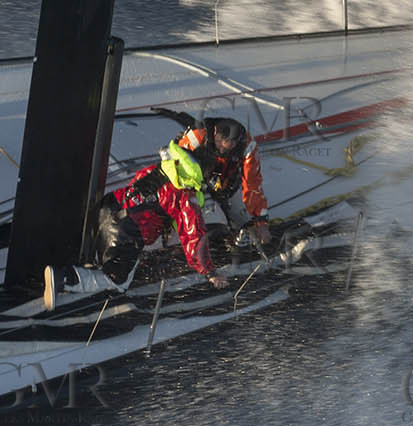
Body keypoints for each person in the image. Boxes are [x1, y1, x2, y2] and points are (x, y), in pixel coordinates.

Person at [71, 116, 268, 300]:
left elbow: (252, 185)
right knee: (118, 280)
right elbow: (194, 236)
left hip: (110, 205)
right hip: (127, 230)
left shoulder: (162, 169)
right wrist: (210, 273)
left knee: (109, 253)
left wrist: (260, 218)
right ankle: (69, 279)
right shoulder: (186, 198)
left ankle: (91, 263)